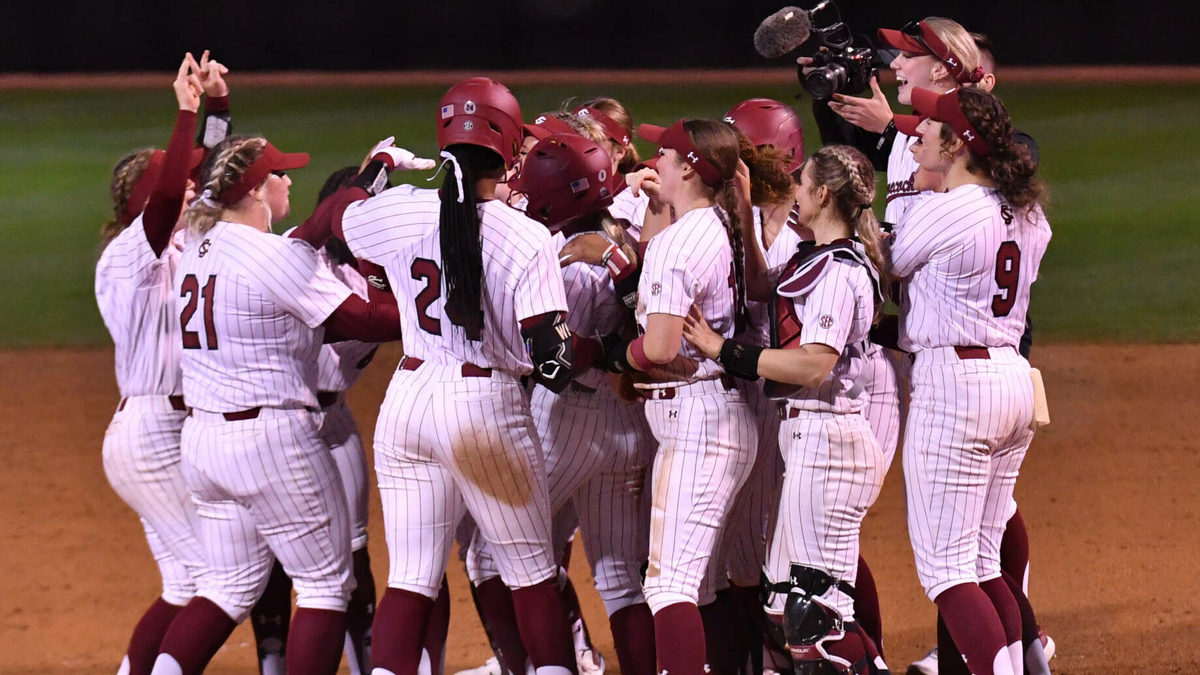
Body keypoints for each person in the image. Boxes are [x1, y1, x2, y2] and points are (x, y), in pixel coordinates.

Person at [318, 77, 598, 675]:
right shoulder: (526, 236)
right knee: (528, 573)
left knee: (411, 577)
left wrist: (377, 170)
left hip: (409, 401)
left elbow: (337, 219)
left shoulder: (399, 206)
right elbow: (552, 359)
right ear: (509, 147)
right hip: (485, 406)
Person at [148, 133, 401, 675]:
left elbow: (310, 232)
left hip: (204, 445)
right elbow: (369, 320)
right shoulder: (273, 256)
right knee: (325, 587)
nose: (290, 180)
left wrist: (375, 167)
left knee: (226, 586)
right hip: (272, 441)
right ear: (259, 191)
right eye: (280, 174)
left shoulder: (200, 243)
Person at [682, 144, 890, 675]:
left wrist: (724, 351)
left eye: (803, 184)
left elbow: (812, 365)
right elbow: (759, 288)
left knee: (815, 620)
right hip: (810, 440)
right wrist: (745, 212)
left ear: (822, 195)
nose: (794, 191)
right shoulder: (812, 257)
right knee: (782, 607)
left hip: (832, 442)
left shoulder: (840, 271)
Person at [890, 86, 1051, 675]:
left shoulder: (945, 209)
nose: (915, 135)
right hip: (1011, 378)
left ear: (957, 144)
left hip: (956, 386)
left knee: (948, 572)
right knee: (984, 561)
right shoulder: (1027, 210)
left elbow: (890, 264)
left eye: (928, 129)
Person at [601, 118, 759, 675]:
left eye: (664, 154)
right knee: (699, 581)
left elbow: (662, 345)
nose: (654, 162)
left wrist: (617, 358)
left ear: (689, 167)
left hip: (698, 420)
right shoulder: (721, 223)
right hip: (717, 412)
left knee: (668, 585)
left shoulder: (677, 241)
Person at [95, 52, 230, 675]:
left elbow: (215, 176)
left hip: (169, 430)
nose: (196, 186)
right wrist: (184, 114)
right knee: (216, 575)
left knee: (184, 582)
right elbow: (176, 187)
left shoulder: (178, 240)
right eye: (180, 181)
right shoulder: (131, 254)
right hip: (149, 435)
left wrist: (219, 108)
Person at [246, 166, 399, 675]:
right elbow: (361, 319)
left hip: (331, 422)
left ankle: (367, 663)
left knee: (354, 552)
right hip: (279, 422)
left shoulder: (383, 276)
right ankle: (274, 660)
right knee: (274, 552)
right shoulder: (294, 256)